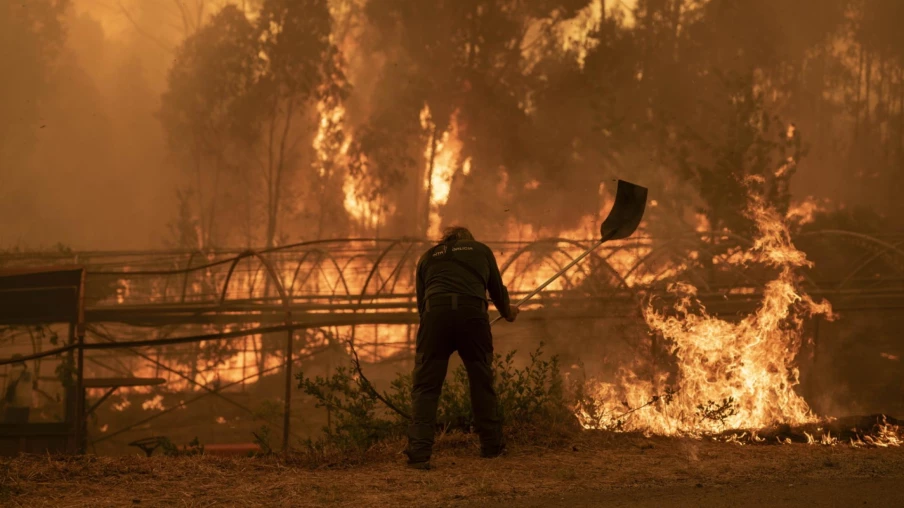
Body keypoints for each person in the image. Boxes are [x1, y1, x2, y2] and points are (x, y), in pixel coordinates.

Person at [404, 226, 519, 470]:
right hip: (472, 317)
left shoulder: (427, 257)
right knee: (481, 380)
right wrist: (509, 313)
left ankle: (419, 454)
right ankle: (491, 447)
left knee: (426, 387)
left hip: (435, 318)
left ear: (445, 241)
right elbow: (498, 293)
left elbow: (421, 306)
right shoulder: (481, 250)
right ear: (469, 239)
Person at [2, 355, 32, 424]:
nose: (11, 363)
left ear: (16, 361)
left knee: (9, 426)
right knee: (22, 425)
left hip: (15, 402)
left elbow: (8, 386)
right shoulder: (30, 371)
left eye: (12, 361)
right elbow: (34, 384)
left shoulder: (12, 371)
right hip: (26, 403)